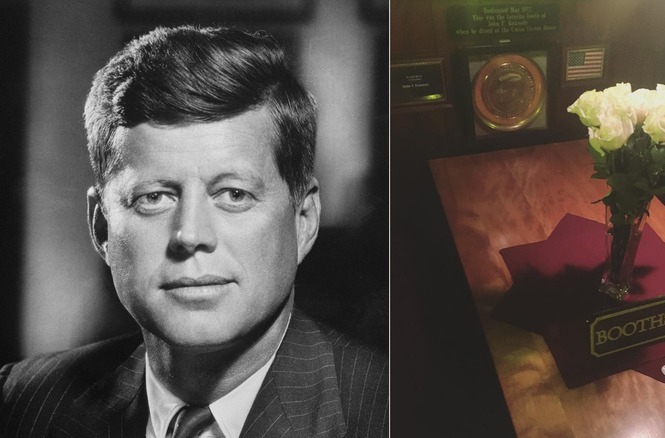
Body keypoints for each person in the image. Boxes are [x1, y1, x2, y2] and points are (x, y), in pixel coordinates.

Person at [0, 25, 387, 437]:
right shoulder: (21, 402)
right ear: (102, 227)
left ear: (304, 220)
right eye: (154, 197)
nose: (190, 234)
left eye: (234, 194)